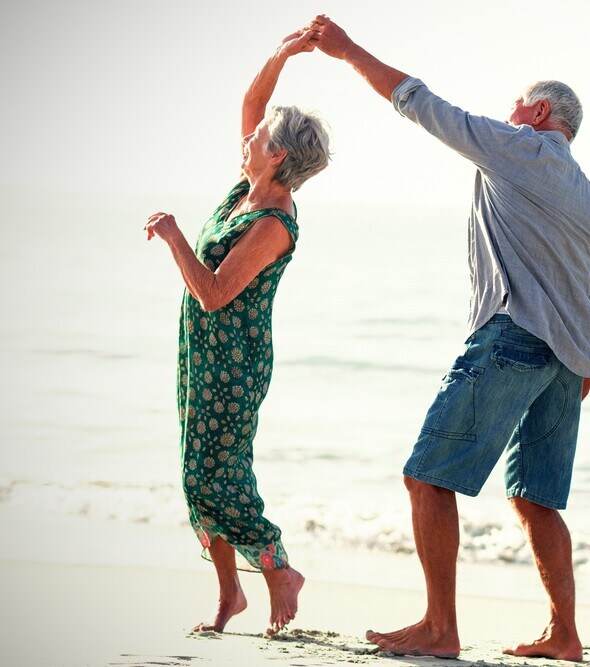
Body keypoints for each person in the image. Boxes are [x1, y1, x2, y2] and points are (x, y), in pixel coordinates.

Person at [308, 15, 590, 662]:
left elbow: (420, 103)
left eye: (518, 103)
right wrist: (582, 371)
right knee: (535, 497)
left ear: (539, 111)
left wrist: (345, 50)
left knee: (426, 478)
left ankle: (440, 626)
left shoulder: (517, 145)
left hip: (511, 338)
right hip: (566, 364)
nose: (509, 111)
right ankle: (564, 634)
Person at [144, 28, 331, 636]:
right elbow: (253, 109)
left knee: (213, 474)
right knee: (195, 472)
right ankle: (230, 596)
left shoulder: (274, 220)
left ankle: (277, 567)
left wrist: (174, 238)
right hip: (200, 352)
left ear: (277, 155)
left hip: (235, 361)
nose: (247, 137)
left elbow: (216, 292)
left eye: (259, 138)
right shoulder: (245, 191)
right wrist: (282, 55)